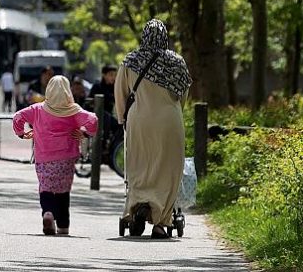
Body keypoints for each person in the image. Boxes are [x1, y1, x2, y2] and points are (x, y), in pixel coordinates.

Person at [114, 19, 192, 239]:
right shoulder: (177, 62)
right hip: (169, 121)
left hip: (140, 121)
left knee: (139, 165)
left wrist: (123, 119)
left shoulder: (130, 61)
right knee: (168, 169)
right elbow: (183, 95)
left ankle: (137, 206)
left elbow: (121, 93)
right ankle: (161, 222)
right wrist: (174, 111)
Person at [13, 75, 98, 235]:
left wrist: (21, 134)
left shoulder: (37, 109)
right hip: (66, 158)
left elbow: (18, 117)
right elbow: (92, 120)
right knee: (63, 190)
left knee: (45, 187)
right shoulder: (74, 110)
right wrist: (84, 133)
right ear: (68, 91)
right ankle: (63, 225)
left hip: (44, 157)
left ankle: (48, 213)